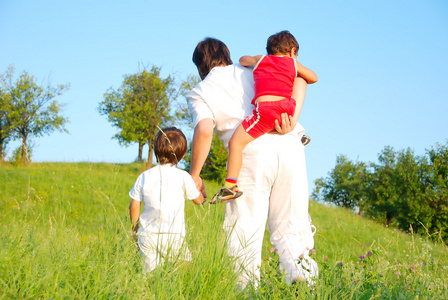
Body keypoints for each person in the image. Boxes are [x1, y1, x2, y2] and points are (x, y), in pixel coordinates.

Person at [187, 35, 318, 288]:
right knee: (291, 225)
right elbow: (299, 80)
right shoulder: (254, 67)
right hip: (290, 144)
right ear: (226, 55)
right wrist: (293, 119)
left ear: (200, 67)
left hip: (249, 153)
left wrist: (195, 174)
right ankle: (301, 278)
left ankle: (247, 291)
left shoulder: (200, 91)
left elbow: (204, 130)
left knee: (244, 229)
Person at [212, 30, 318, 203]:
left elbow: (242, 60)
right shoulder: (292, 63)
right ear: (292, 51)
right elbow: (314, 77)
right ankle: (296, 133)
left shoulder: (262, 59)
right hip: (287, 109)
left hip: (266, 111)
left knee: (236, 143)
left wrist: (257, 59)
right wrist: (295, 66)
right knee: (301, 82)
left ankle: (230, 185)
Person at [129, 127, 204, 272]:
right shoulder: (183, 176)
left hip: (147, 235)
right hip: (173, 235)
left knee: (150, 275)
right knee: (184, 271)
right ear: (182, 155)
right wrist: (200, 190)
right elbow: (198, 200)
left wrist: (135, 231)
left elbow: (134, 205)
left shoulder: (144, 176)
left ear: (156, 151)